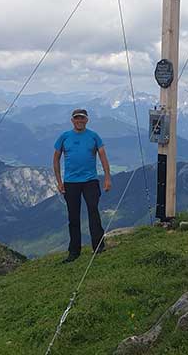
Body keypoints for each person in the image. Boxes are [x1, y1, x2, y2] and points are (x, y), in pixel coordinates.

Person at [53, 108, 112, 263]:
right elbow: (56, 159)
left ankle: (98, 247)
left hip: (90, 181)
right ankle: (74, 252)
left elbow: (103, 157)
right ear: (72, 120)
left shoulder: (94, 136)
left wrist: (107, 178)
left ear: (87, 120)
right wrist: (59, 181)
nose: (79, 121)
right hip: (70, 182)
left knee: (93, 211)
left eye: (82, 118)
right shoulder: (64, 137)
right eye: (76, 118)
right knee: (73, 217)